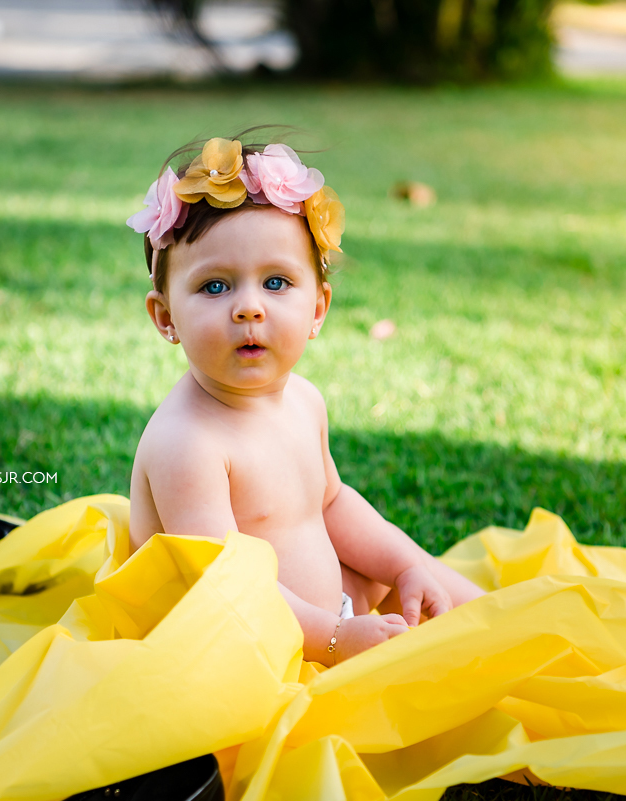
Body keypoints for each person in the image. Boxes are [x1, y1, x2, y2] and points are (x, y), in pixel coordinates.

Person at [124, 133, 484, 665]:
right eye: (215, 287)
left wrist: (407, 566)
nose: (249, 308)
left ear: (317, 308)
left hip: (329, 615)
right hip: (244, 651)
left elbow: (331, 504)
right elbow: (228, 588)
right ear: (165, 317)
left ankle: (493, 620)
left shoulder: (304, 401)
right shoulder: (188, 444)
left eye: (275, 282)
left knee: (457, 603)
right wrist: (335, 638)